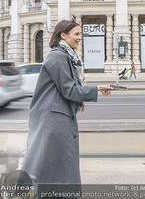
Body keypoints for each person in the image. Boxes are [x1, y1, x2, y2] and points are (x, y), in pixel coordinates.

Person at [21, 20, 113, 196]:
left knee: (51, 163)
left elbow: (65, 88)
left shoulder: (66, 56)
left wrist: (80, 99)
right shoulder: (58, 56)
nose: (80, 38)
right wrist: (96, 89)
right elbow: (68, 90)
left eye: (80, 34)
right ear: (63, 35)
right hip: (52, 119)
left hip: (54, 116)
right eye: (76, 34)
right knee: (47, 163)